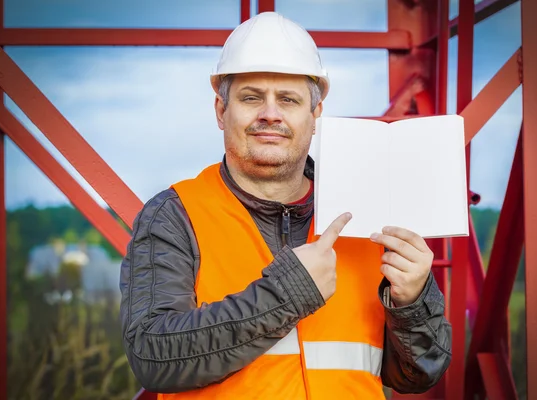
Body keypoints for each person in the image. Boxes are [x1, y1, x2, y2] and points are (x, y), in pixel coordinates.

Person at [119, 11, 451, 400]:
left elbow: (417, 376)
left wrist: (412, 304)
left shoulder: (365, 212)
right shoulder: (174, 216)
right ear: (220, 111)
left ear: (315, 115)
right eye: (251, 97)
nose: (270, 114)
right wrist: (288, 293)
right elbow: (152, 356)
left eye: (288, 100)